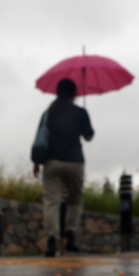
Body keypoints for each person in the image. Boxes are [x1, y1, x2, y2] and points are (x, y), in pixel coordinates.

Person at [32, 78, 94, 257]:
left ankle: (52, 241)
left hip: (52, 163)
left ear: (57, 92)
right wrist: (83, 117)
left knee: (52, 202)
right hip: (75, 162)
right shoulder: (80, 112)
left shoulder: (48, 112)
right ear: (74, 94)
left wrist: (36, 162)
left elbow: (40, 138)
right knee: (75, 200)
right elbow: (89, 137)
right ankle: (71, 236)